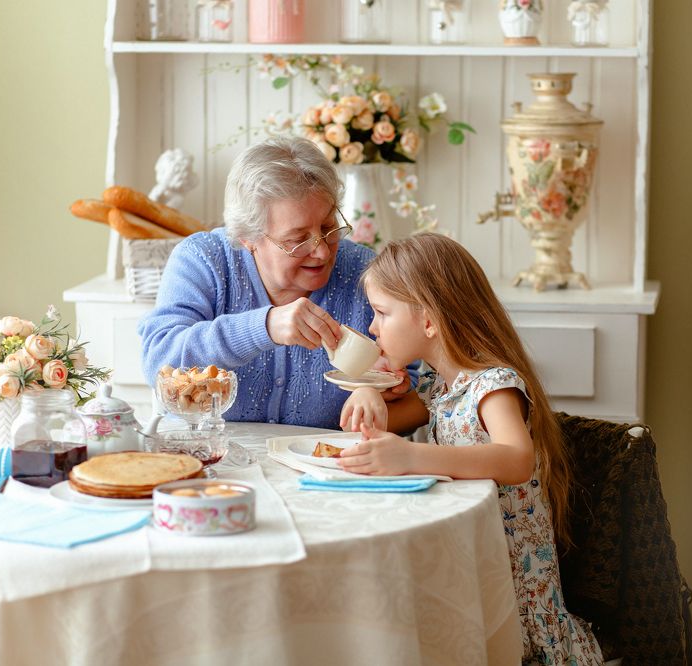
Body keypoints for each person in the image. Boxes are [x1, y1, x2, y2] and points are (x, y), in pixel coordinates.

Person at [338, 233, 603, 666]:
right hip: (475, 565)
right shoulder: (440, 387)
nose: (371, 327)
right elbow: (378, 423)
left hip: (516, 594)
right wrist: (367, 389)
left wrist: (411, 456)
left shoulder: (491, 384)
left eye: (382, 313)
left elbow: (515, 458)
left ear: (428, 320)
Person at [138, 136, 416, 431]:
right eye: (297, 239)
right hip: (212, 458)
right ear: (248, 238)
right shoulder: (204, 260)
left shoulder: (365, 271)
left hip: (323, 465)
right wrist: (263, 327)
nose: (322, 251)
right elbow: (160, 363)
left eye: (328, 227)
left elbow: (417, 388)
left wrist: (377, 389)